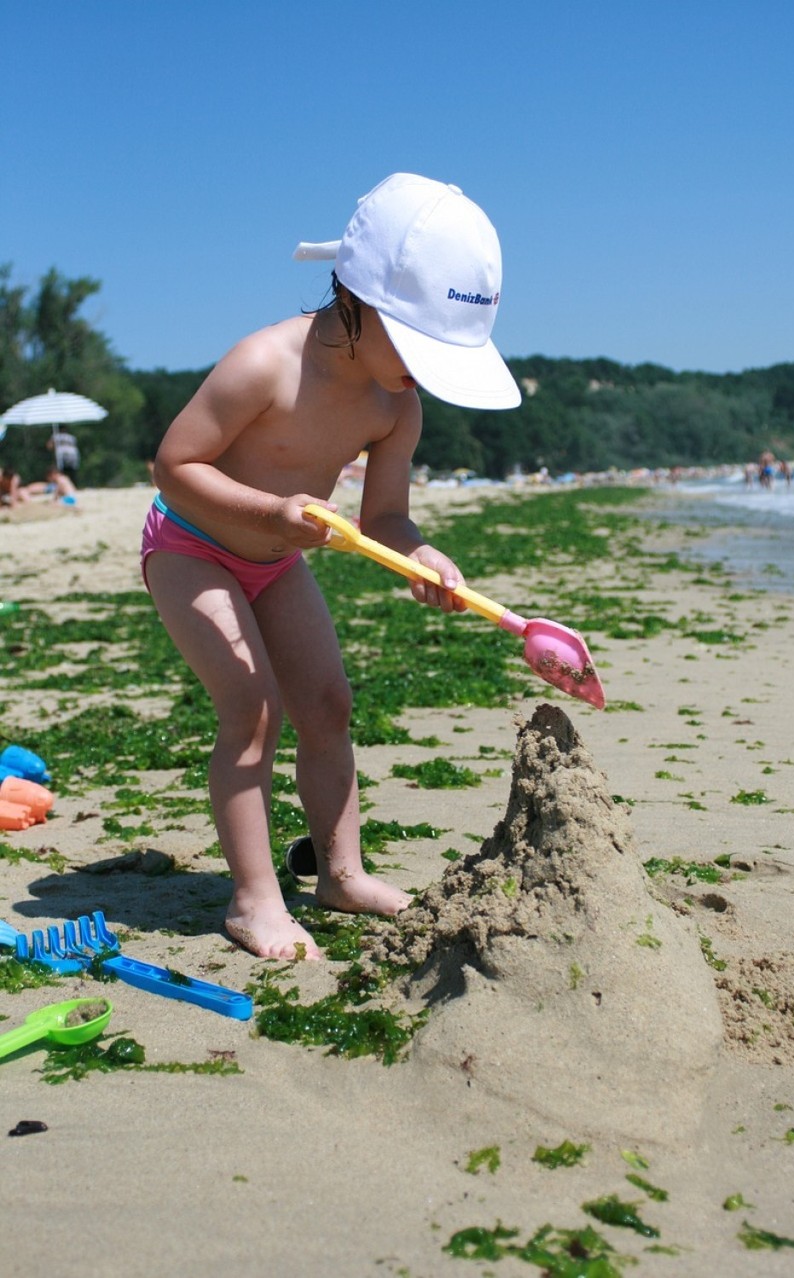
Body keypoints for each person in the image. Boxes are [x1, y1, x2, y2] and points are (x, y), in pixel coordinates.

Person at [142, 173, 520, 960]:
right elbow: (174, 464)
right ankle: (253, 899)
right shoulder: (264, 364)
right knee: (252, 712)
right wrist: (268, 513)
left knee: (329, 706)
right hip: (190, 548)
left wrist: (419, 554)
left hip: (276, 563)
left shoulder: (396, 401)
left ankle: (339, 873)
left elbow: (385, 516)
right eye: (422, 346)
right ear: (358, 300)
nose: (424, 370)